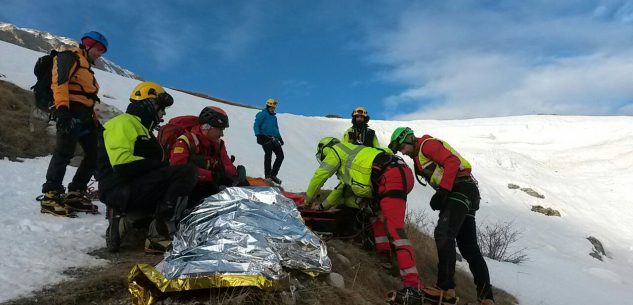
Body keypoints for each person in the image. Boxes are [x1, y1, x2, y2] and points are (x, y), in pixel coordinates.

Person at [305, 137, 424, 304]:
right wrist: (323, 207)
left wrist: (307, 200)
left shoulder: (336, 151)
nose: (325, 159)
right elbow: (341, 189)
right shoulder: (355, 155)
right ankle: (385, 258)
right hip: (391, 176)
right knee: (377, 219)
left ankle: (413, 288)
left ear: (325, 149)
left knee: (396, 230)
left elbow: (320, 175)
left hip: (391, 175)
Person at [388, 127, 495, 305]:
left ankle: (445, 289)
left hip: (459, 188)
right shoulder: (419, 152)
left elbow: (452, 162)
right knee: (469, 248)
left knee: (443, 233)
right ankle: (486, 298)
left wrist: (443, 191)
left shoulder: (426, 145)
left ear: (408, 139)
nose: (403, 152)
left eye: (402, 147)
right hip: (466, 190)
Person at [96, 81, 198, 253]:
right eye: (162, 108)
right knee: (185, 172)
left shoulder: (144, 130)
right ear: (151, 104)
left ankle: (125, 221)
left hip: (133, 186)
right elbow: (122, 164)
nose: (163, 114)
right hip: (119, 187)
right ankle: (158, 234)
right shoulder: (123, 122)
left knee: (184, 179)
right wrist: (161, 168)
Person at [39, 31, 108, 217]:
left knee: (94, 154)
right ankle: (50, 197)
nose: (100, 54)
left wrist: (93, 117)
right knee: (64, 153)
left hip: (85, 115)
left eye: (103, 51)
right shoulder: (69, 57)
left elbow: (88, 96)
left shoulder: (86, 66)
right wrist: (62, 110)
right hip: (69, 111)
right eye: (98, 49)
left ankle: (75, 193)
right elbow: (59, 82)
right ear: (87, 45)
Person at [169, 106, 245, 205]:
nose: (222, 134)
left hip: (209, 185)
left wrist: (236, 175)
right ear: (207, 127)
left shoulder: (219, 144)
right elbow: (178, 168)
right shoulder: (186, 140)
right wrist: (212, 176)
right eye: (220, 129)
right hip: (188, 190)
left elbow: (227, 165)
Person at [253, 98, 283, 184]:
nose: (273, 109)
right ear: (268, 106)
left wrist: (280, 138)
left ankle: (273, 175)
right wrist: (258, 135)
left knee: (280, 156)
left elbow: (276, 128)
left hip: (274, 138)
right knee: (268, 155)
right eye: (271, 107)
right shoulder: (262, 114)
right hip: (264, 137)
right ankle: (268, 176)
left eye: (274, 108)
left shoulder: (274, 117)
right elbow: (256, 125)